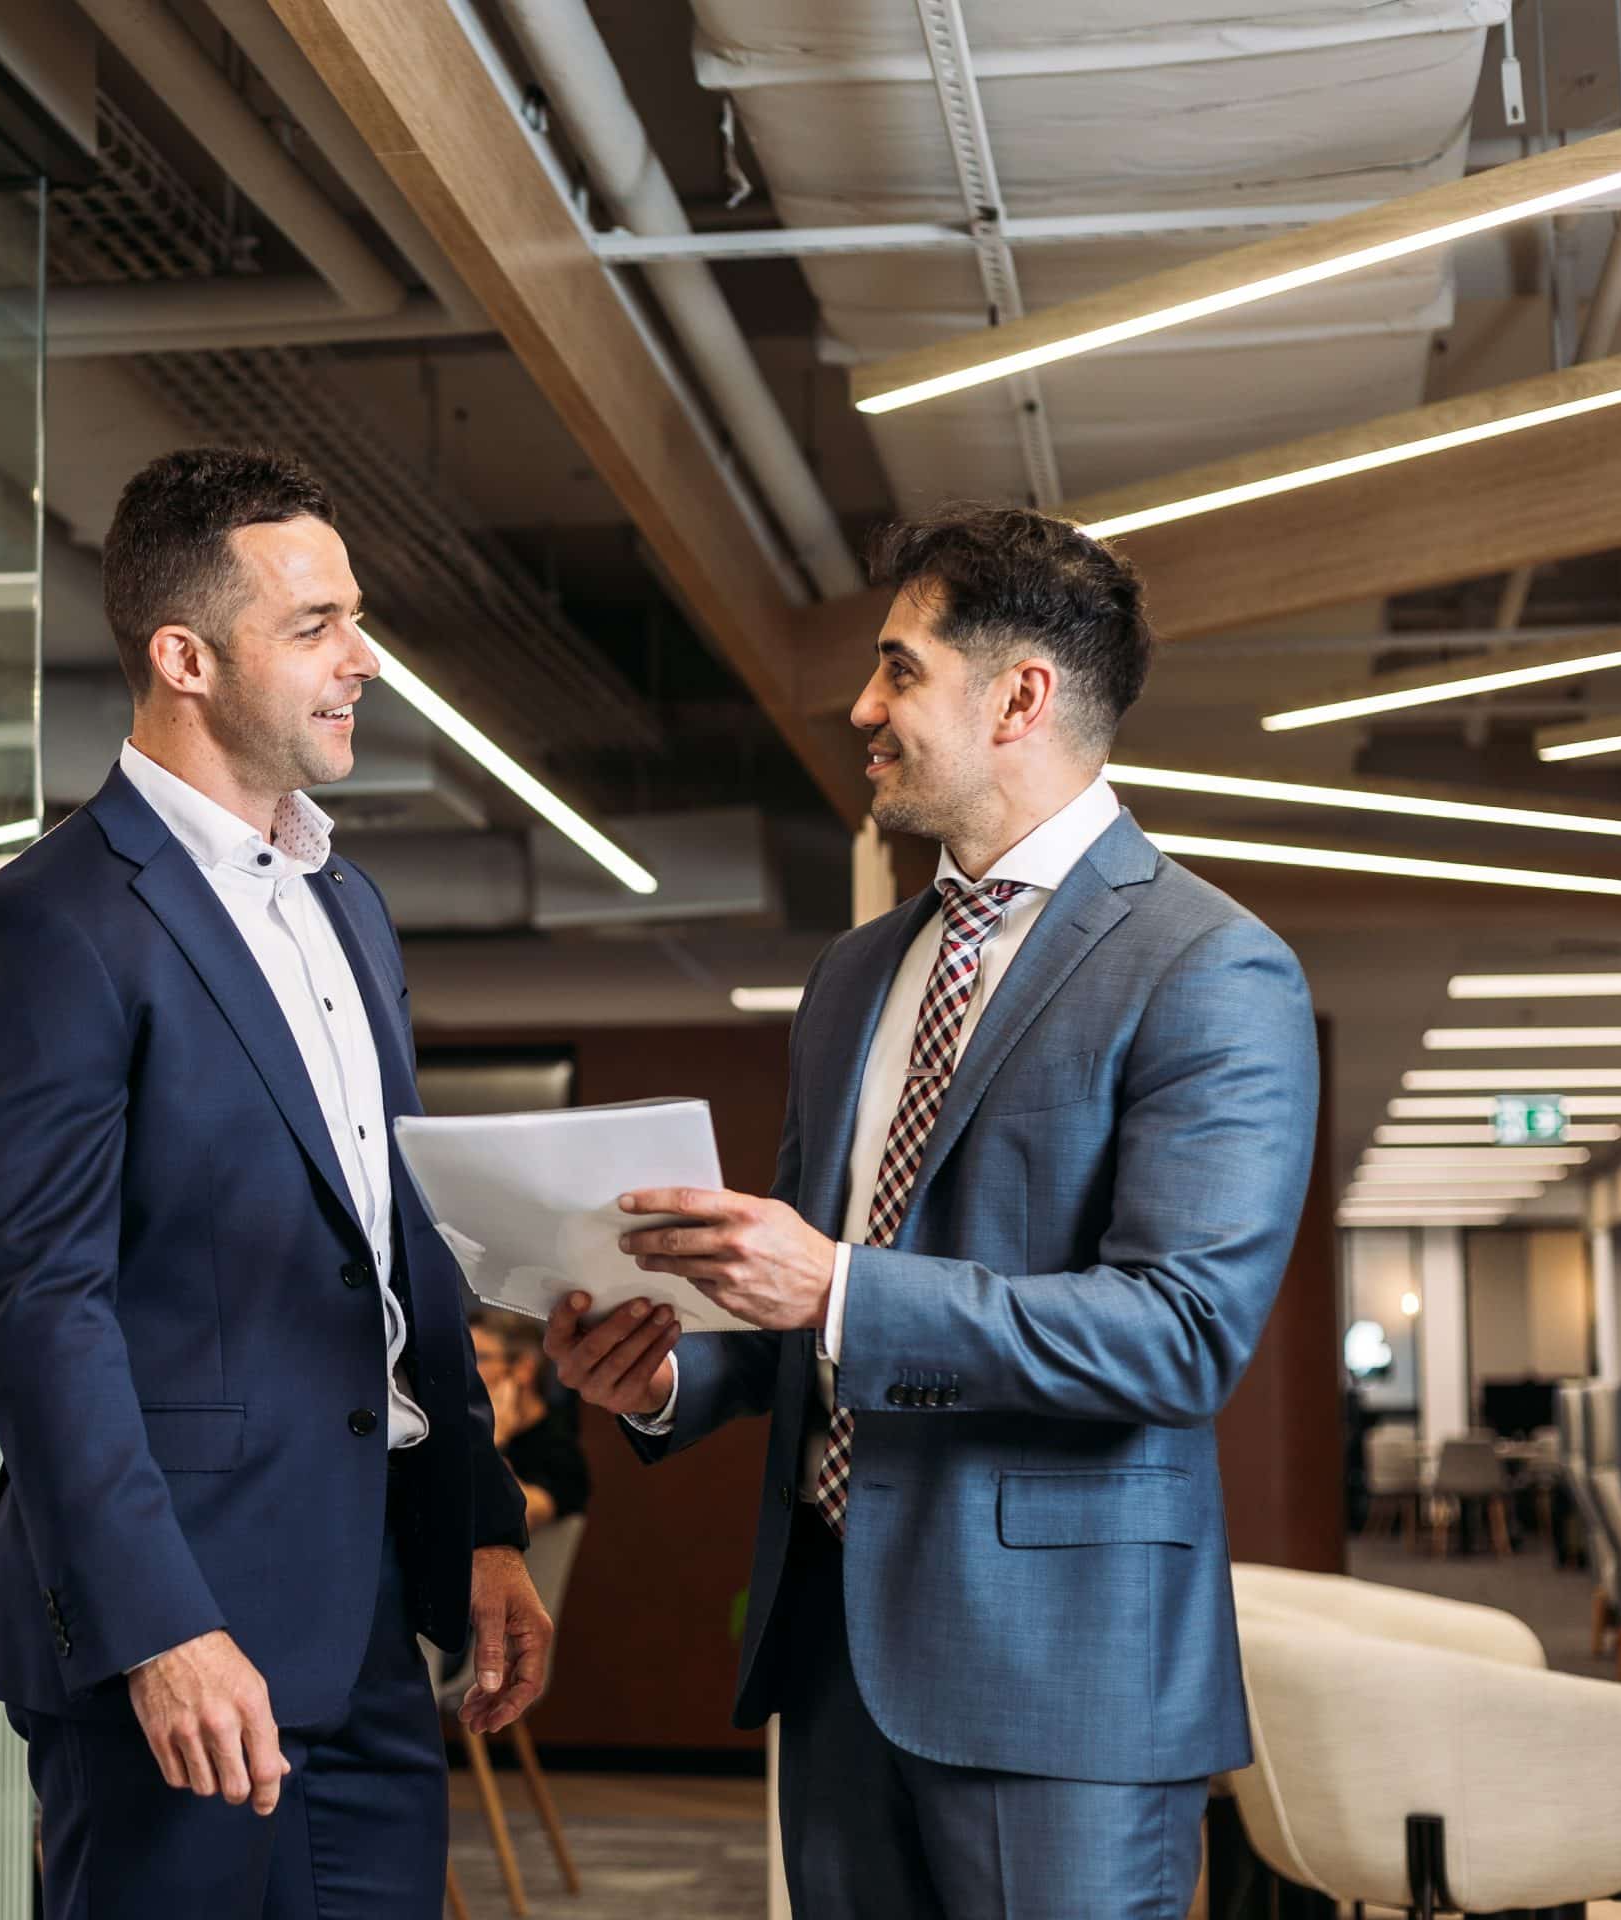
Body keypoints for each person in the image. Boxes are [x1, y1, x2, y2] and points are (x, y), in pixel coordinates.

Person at [549, 504, 1318, 1918]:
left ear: (1021, 695)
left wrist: (838, 1288)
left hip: (1060, 1690)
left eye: (898, 670)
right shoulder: (857, 976)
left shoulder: (1210, 967)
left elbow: (1181, 1335)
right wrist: (669, 1369)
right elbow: (793, 1293)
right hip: (835, 1655)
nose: (861, 707)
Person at [0, 447, 546, 1918]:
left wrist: (481, 1523)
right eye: (317, 625)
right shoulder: (49, 926)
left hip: (367, 1617)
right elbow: (36, 1310)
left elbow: (400, 1252)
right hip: (182, 1640)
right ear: (185, 656)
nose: (365, 662)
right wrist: (159, 1628)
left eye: (358, 619)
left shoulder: (346, 902)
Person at [470, 1306, 589, 1529]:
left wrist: (492, 1442)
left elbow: (509, 1517)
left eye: (479, 1358)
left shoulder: (559, 1450)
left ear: (522, 1368)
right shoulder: (456, 1423)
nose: (464, 1370)